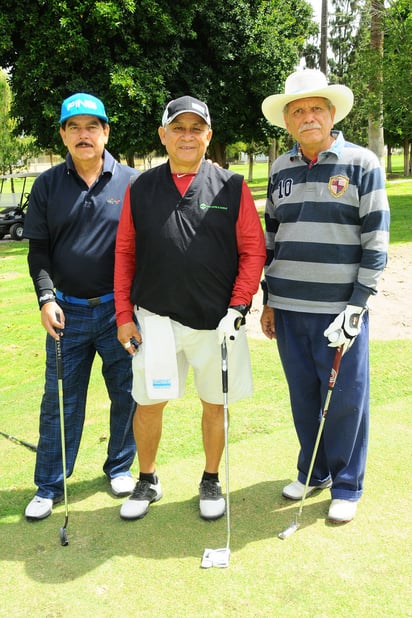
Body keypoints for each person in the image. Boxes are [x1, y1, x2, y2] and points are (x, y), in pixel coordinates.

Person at [114, 95, 266, 521]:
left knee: (214, 403)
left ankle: (211, 478)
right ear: (163, 135)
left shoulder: (231, 186)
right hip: (155, 318)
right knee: (149, 402)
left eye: (195, 128)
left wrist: (239, 305)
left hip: (216, 321)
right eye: (177, 128)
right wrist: (124, 315)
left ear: (208, 135)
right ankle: (147, 478)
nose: (187, 136)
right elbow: (125, 252)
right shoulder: (140, 187)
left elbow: (253, 250)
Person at [260, 69, 390, 523]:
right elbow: (272, 240)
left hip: (340, 310)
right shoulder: (280, 169)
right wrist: (270, 300)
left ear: (331, 114)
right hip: (291, 308)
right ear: (288, 121)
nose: (308, 116)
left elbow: (376, 240)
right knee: (304, 395)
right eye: (298, 110)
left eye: (316, 108)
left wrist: (358, 304)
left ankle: (347, 483)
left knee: (347, 398)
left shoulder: (361, 163)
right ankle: (313, 471)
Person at [23, 93, 139, 521]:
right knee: (60, 402)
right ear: (63, 135)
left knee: (126, 394)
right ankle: (50, 484)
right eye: (74, 127)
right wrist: (46, 298)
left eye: (92, 126)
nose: (84, 134)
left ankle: (120, 467)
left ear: (106, 132)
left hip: (118, 313)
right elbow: (38, 254)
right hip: (65, 314)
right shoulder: (47, 185)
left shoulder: (131, 182)